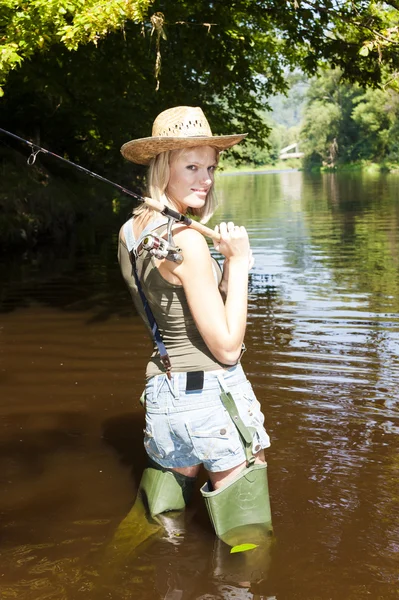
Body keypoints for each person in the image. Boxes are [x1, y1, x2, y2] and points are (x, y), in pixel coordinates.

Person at [118, 106, 272, 545]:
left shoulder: (134, 230)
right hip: (211, 397)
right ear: (163, 167)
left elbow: (175, 309)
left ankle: (122, 565)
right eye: (191, 166)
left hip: (166, 397)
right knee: (249, 541)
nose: (205, 178)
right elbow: (225, 347)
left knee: (159, 526)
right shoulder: (186, 240)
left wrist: (220, 269)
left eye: (210, 167)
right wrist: (239, 265)